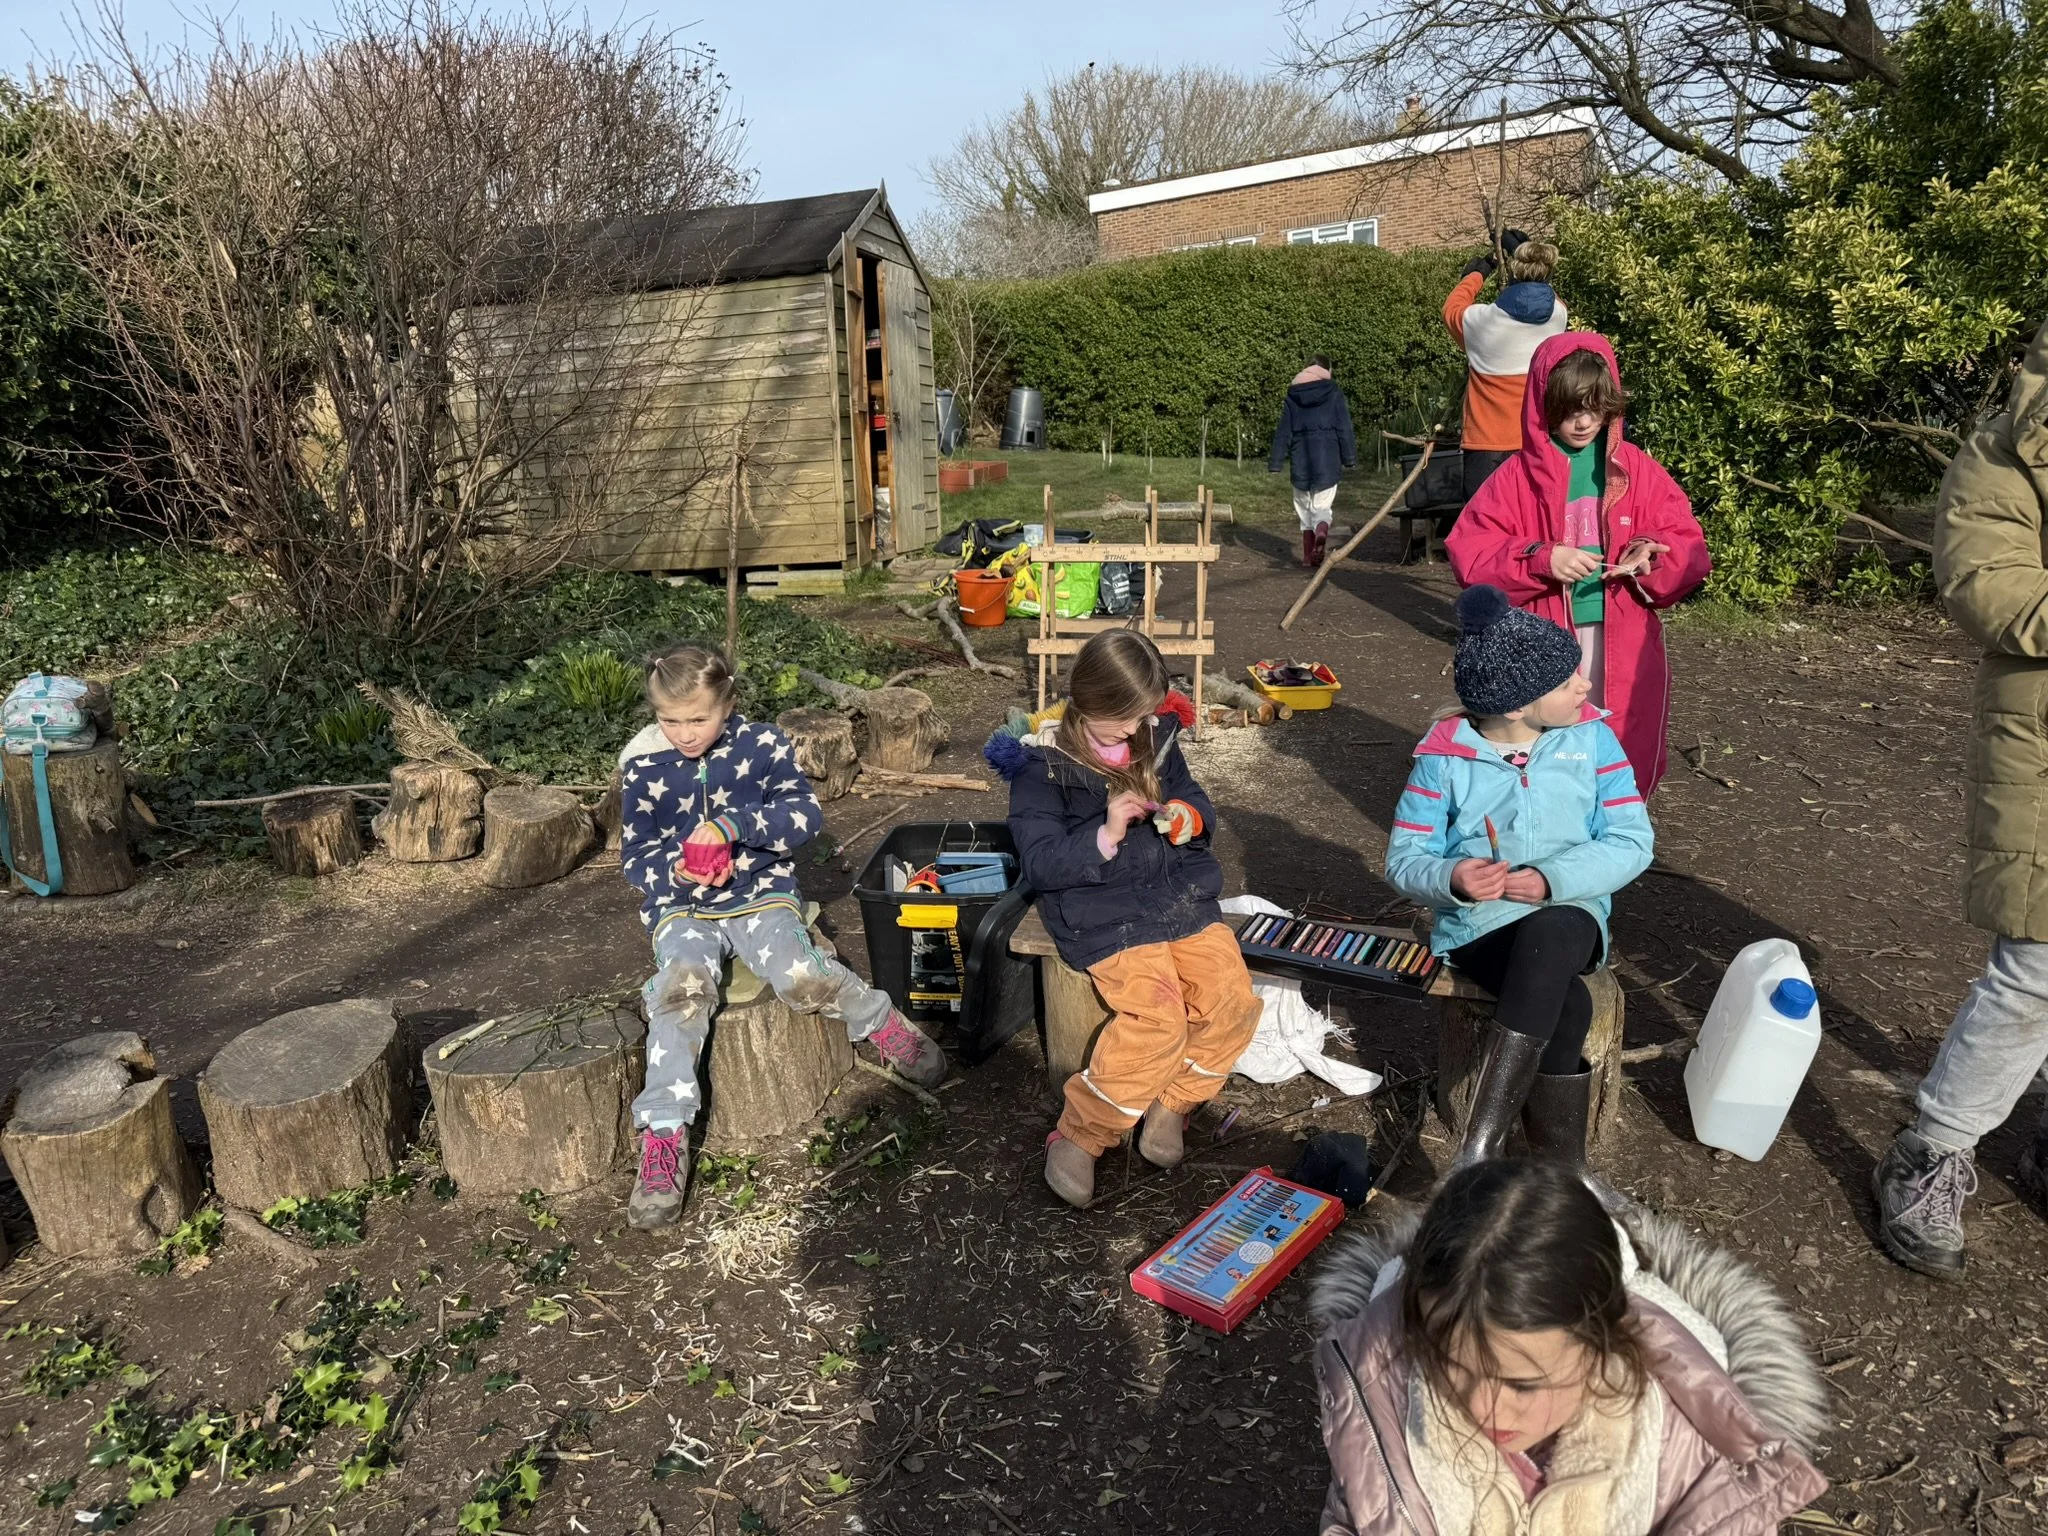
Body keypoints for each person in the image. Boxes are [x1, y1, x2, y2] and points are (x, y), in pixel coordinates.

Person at [1311, 1160, 1830, 1536]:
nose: (1480, 1407)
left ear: (1602, 1343)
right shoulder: (1382, 1393)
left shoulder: (1681, 1447)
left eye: (1523, 1384)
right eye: (1447, 1364)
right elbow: (1356, 1512)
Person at [618, 644, 945, 1228]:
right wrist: (677, 870)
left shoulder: (761, 746)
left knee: (800, 977)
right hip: (683, 910)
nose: (684, 734)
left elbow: (803, 816)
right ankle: (664, 1135)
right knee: (679, 992)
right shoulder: (643, 768)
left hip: (760, 897)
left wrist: (733, 826)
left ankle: (880, 1022)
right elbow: (635, 856)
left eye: (698, 719)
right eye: (670, 720)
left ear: (728, 704)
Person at [1875, 314, 2048, 1280]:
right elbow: (1987, 590)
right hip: (2042, 740)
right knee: (2037, 964)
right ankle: (1930, 1153)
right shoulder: (2005, 452)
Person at [984, 631, 1259, 1206]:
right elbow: (1040, 862)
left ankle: (1174, 1101)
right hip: (1102, 910)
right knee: (1159, 1019)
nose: (1137, 730)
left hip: (1178, 897)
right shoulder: (1042, 766)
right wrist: (1106, 833)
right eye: (1125, 718)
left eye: (1144, 716)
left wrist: (1188, 817)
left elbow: (1194, 796)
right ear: (1088, 702)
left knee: (1232, 998)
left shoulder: (1155, 736)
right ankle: (1082, 1135)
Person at [1385, 586, 1654, 1171]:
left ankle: (1476, 1150)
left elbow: (1633, 841)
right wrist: (1453, 877)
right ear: (1514, 707)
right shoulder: (1443, 760)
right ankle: (1563, 1170)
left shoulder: (1594, 741)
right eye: (1566, 681)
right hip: (1479, 927)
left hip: (1573, 909)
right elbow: (1405, 859)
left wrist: (1552, 879)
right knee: (1571, 1008)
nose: (1585, 685)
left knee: (1550, 935)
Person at [1447, 333, 1710, 795]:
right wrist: (1541, 558)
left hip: (1621, 636)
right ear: (1543, 407)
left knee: (1622, 728)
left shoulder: (1637, 470)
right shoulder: (1515, 477)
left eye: (1594, 407)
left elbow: (1687, 543)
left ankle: (1618, 813)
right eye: (1569, 410)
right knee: (1545, 731)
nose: (1584, 422)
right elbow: (1472, 552)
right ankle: (1545, 813)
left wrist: (1651, 552)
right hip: (1543, 638)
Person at [1443, 230, 1568, 506]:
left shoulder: (1480, 322)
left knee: (1483, 520)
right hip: (1535, 439)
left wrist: (1476, 275)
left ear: (1512, 276)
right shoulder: (1557, 317)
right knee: (1531, 516)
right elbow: (1550, 296)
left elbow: (1451, 308)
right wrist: (1524, 249)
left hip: (1485, 445)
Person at [1269, 355, 1359, 569]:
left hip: (1300, 458)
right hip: (1328, 458)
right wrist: (1349, 457)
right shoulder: (1334, 393)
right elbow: (1344, 427)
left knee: (1303, 506)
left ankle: (1308, 556)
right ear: (1328, 370)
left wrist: (1276, 462)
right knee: (1322, 506)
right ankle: (1321, 530)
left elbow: (1284, 431)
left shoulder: (1293, 395)